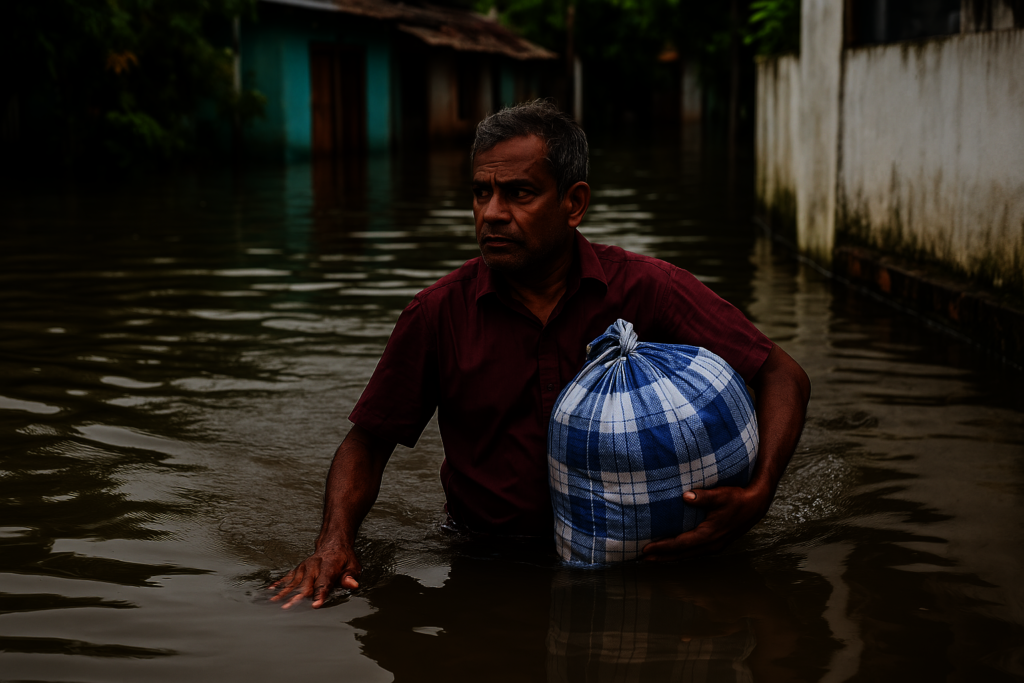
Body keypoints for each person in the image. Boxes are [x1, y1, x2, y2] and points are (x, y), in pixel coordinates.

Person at [271, 100, 811, 609]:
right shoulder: (438, 313)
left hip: (639, 554)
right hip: (486, 555)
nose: (492, 213)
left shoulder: (649, 290)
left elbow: (781, 375)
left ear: (573, 203)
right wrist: (332, 542)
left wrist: (759, 492)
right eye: (481, 193)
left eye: (519, 193)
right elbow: (367, 441)